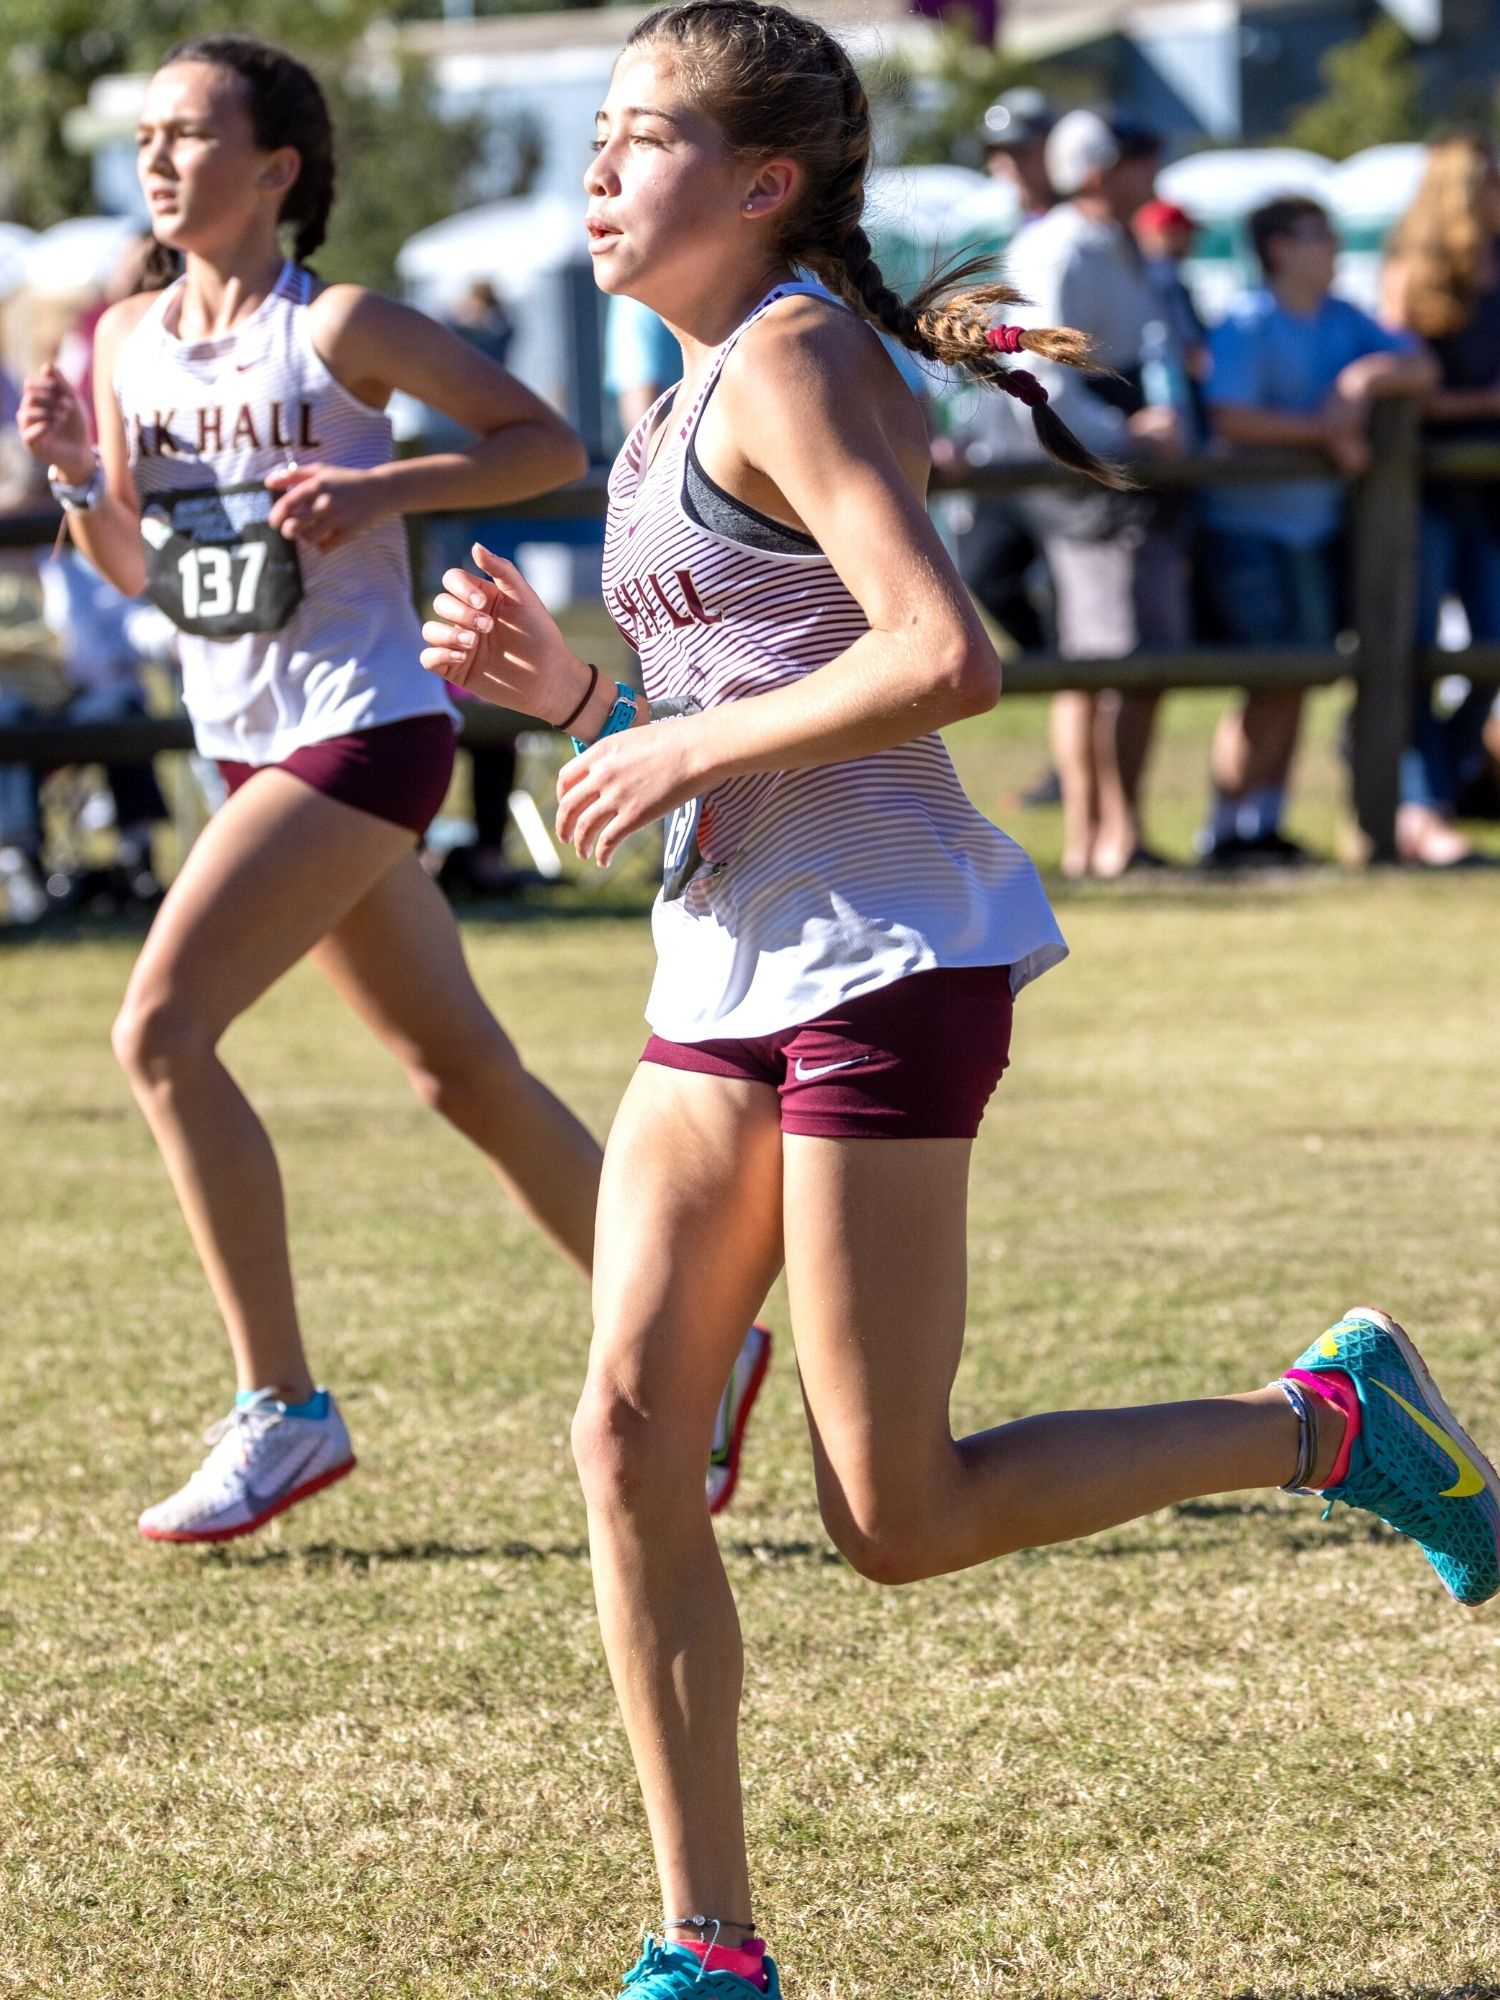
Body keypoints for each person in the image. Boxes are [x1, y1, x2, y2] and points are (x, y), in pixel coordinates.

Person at [420, 6, 1500, 1992]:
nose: (597, 166)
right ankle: (707, 1951)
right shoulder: (669, 408)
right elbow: (752, 699)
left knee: (895, 1517)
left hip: (886, 967)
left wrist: (673, 741)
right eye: (596, 132)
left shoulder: (798, 357)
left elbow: (944, 656)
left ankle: (1326, 1423)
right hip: (720, 966)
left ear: (762, 183)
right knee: (627, 1434)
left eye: (640, 134)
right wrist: (578, 702)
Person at [18, 32, 769, 1543]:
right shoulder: (124, 338)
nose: (157, 159)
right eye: (147, 136)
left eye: (188, 133)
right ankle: (716, 1339)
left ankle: (282, 1407)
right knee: (460, 1073)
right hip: (246, 739)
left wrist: (384, 485)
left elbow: (540, 442)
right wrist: (80, 479)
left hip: (366, 729)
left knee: (160, 1031)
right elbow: (143, 576)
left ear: (276, 169)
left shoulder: (341, 324)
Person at [1198, 195, 1435, 867]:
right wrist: (1326, 433)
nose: (1332, 246)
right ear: (1279, 248)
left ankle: (1264, 824)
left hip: (1313, 530)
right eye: (1318, 234)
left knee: (1302, 677)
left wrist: (1360, 380)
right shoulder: (1248, 322)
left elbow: (1422, 366)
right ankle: (1225, 832)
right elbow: (1230, 417)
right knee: (1272, 678)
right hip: (1249, 531)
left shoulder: (1342, 318)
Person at [1005, 108, 1190, 879]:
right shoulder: (1062, 249)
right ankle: (1103, 837)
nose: (1151, 174)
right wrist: (1125, 434)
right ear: (1099, 170)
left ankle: (1111, 833)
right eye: (1136, 160)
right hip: (1084, 472)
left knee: (1121, 656)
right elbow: (1043, 373)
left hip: (1113, 464)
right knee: (1106, 658)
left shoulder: (1118, 244)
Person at [1383, 134, 1500, 867]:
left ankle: (1445, 784)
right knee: (1417, 652)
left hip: (1490, 494)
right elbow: (1402, 390)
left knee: (1491, 649)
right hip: (1423, 490)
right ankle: (1421, 806)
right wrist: (1482, 402)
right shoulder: (1412, 274)